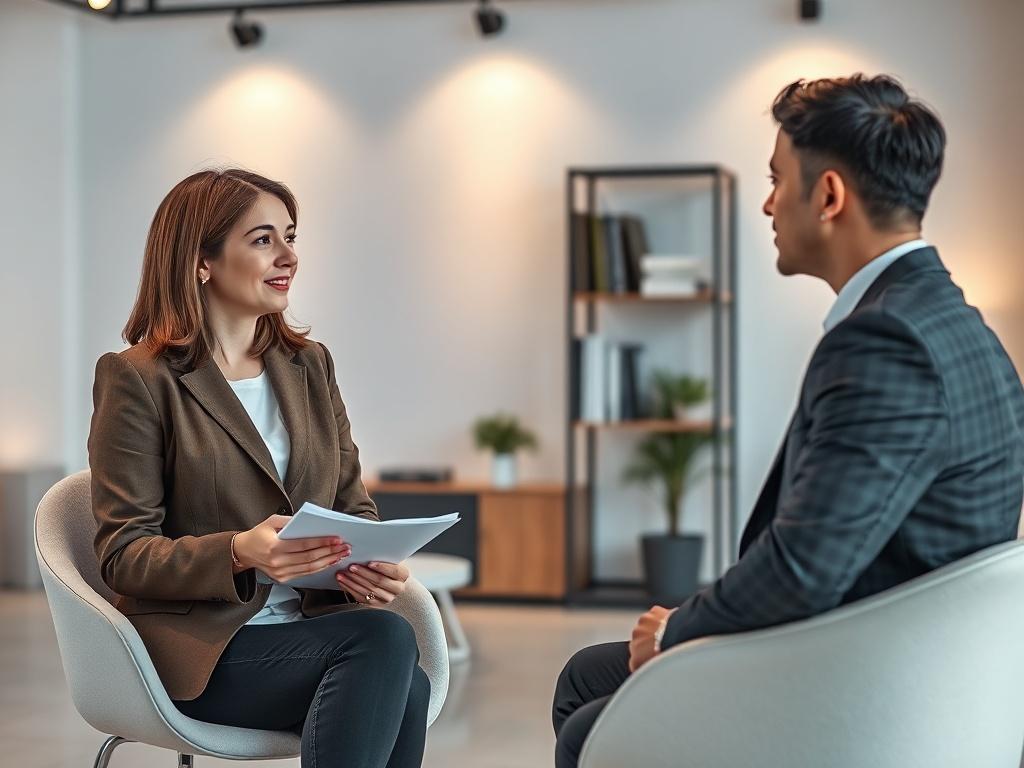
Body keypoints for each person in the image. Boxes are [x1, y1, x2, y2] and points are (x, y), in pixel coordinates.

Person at [552, 74, 1024, 767]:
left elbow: (803, 569)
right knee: (590, 673)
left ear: (828, 195)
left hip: (860, 685)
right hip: (912, 658)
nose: (769, 204)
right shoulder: (955, 322)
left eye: (777, 180)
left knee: (589, 720)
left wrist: (681, 628)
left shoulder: (886, 341)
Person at [89, 168, 429, 768]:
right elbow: (124, 554)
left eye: (291, 236)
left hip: (315, 630)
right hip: (204, 652)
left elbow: (352, 506)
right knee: (382, 644)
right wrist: (240, 552)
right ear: (202, 261)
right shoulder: (139, 379)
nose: (289, 255)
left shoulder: (310, 366)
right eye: (264, 238)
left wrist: (369, 565)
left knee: (400, 669)